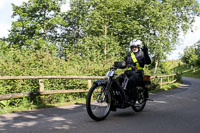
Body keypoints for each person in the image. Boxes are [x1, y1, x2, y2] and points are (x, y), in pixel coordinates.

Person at [117, 39, 151, 105]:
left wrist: (146, 53)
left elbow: (148, 62)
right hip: (128, 72)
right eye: (133, 47)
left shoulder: (142, 54)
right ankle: (121, 96)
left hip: (138, 73)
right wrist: (117, 65)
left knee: (131, 81)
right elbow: (124, 64)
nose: (134, 48)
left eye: (135, 47)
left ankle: (133, 99)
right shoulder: (129, 55)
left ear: (139, 47)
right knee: (117, 80)